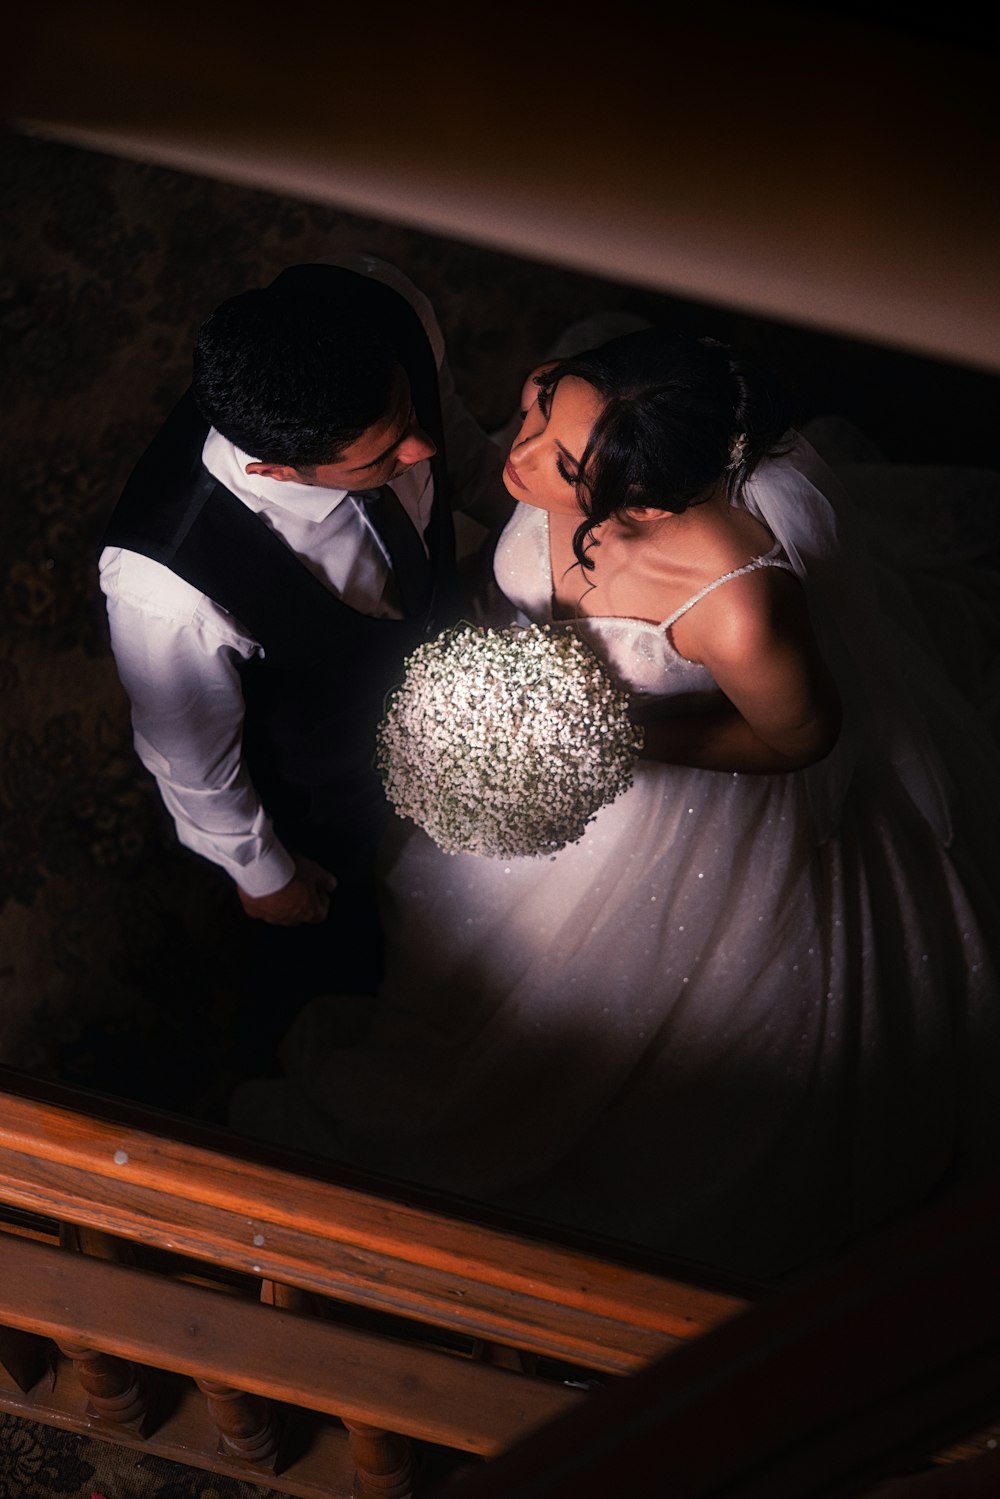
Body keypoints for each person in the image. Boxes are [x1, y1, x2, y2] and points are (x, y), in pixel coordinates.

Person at [229, 327, 1000, 1282]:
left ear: (638, 501)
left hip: (665, 824)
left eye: (556, 460)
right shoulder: (592, 417)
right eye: (542, 404)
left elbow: (802, 740)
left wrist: (606, 737)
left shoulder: (735, 603)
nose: (515, 453)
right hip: (525, 763)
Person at [98, 254, 512, 1035]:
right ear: (277, 468)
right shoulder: (168, 589)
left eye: (405, 415)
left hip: (437, 636)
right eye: (380, 459)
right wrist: (264, 873)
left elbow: (450, 435)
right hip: (322, 772)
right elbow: (190, 759)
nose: (417, 453)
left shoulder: (388, 301)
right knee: (337, 943)